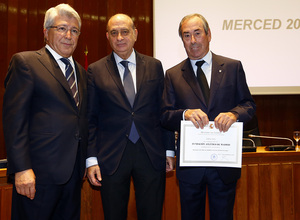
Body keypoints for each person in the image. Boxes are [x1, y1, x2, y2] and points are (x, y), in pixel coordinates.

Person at [160, 13, 256, 220]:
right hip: (191, 166)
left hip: (224, 165)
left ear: (208, 34)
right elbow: (164, 115)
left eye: (197, 33)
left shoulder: (232, 67)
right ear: (182, 40)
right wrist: (185, 114)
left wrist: (234, 114)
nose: (193, 40)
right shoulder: (173, 74)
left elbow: (248, 105)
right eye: (186, 35)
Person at [86, 13, 175, 220]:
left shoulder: (154, 65)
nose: (119, 38)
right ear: (107, 36)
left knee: (152, 214)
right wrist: (91, 160)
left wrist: (169, 149)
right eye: (114, 33)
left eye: (125, 32)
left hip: (151, 153)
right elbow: (90, 119)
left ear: (135, 34)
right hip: (112, 156)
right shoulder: (95, 70)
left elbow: (163, 111)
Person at [2, 3, 87, 220]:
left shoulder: (82, 73)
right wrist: (21, 169)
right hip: (37, 177)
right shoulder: (26, 62)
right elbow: (14, 120)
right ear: (45, 32)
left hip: (73, 176)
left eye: (74, 30)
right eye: (61, 28)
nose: (68, 35)